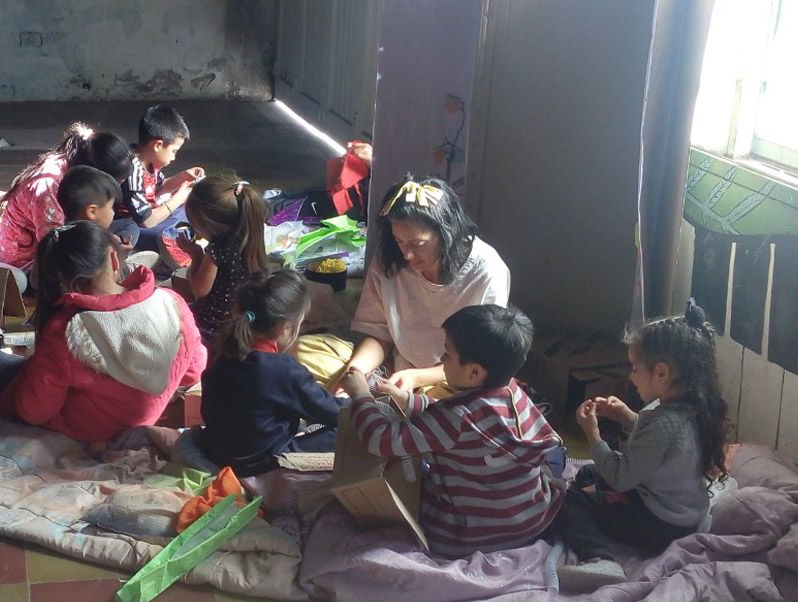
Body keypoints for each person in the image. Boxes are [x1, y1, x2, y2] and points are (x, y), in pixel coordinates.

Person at [0, 221, 207, 445]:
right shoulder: (170, 302)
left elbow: (32, 410)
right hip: (134, 416)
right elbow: (193, 369)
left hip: (84, 425)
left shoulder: (69, 332)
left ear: (58, 280)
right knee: (30, 370)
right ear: (112, 257)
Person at [340, 304, 565, 559]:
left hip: (467, 538)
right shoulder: (514, 391)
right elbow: (464, 418)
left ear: (474, 372)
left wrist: (360, 395)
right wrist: (406, 399)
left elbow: (380, 441)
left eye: (446, 355)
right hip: (533, 521)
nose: (441, 361)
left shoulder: (452, 418)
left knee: (416, 481)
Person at [554, 299, 729, 593]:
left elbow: (621, 477)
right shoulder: (692, 409)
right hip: (683, 513)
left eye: (635, 367)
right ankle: (599, 511)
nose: (630, 375)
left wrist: (592, 435)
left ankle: (600, 559)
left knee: (572, 501)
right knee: (588, 476)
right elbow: (661, 449)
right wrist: (626, 416)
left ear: (661, 372)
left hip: (661, 523)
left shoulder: (664, 421)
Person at [291, 176, 510, 396]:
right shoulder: (391, 258)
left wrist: (417, 377)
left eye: (418, 244)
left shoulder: (487, 272)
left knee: (451, 409)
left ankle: (400, 408)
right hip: (394, 365)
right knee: (301, 351)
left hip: (449, 378)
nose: (407, 254)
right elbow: (379, 333)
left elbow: (477, 364)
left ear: (447, 234)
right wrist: (355, 373)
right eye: (400, 242)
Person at [192, 270, 342, 476]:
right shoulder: (283, 370)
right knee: (348, 428)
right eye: (300, 324)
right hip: (259, 462)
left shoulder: (223, 353)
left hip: (218, 453)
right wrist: (360, 397)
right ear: (284, 327)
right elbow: (334, 413)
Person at [0, 123, 134, 272]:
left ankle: (116, 265)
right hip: (28, 262)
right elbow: (56, 250)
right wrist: (107, 249)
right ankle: (118, 269)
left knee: (129, 228)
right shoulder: (48, 189)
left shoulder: (79, 162)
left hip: (67, 233)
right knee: (86, 267)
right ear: (96, 175)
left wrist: (109, 241)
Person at [175, 177, 270, 345]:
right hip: (241, 321)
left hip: (210, 326)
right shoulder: (251, 238)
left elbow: (199, 290)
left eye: (195, 225)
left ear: (210, 224)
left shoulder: (218, 248)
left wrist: (195, 254)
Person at [120, 105, 205, 251]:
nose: (174, 157)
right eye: (174, 151)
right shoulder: (131, 170)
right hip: (134, 225)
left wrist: (183, 176)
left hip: (152, 215)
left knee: (191, 210)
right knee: (167, 233)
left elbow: (158, 188)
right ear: (158, 145)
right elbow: (147, 220)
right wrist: (178, 198)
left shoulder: (149, 161)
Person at [55, 165, 138, 256]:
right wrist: (118, 255)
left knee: (130, 225)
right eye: (111, 207)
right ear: (92, 212)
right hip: (106, 264)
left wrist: (109, 237)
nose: (113, 212)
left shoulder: (65, 231)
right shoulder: (91, 249)